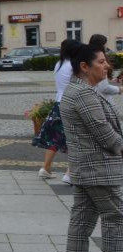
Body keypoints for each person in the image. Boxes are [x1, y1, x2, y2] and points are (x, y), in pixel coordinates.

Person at [58, 45, 123, 252]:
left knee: (82, 217)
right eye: (100, 61)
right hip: (99, 169)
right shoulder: (83, 94)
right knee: (117, 216)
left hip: (86, 168)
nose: (106, 65)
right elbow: (105, 135)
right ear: (84, 66)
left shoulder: (81, 91)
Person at [35, 39, 83, 183]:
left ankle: (46, 168)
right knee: (76, 138)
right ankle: (69, 174)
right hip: (71, 103)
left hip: (59, 103)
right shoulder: (73, 65)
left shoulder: (59, 64)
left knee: (54, 137)